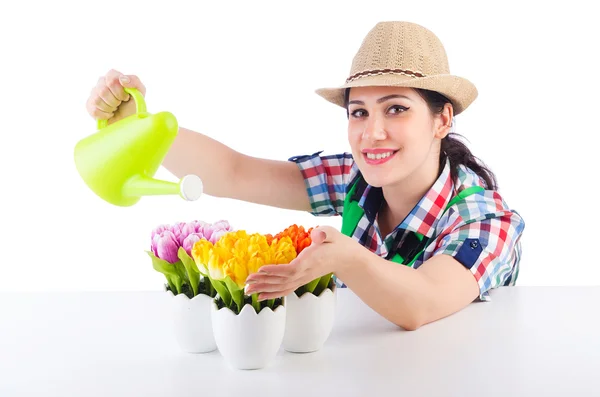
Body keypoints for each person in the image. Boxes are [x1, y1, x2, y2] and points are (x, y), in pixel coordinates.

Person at [85, 21, 525, 330]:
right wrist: (141, 128)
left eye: (396, 108)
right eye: (359, 112)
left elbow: (422, 303)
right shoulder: (357, 177)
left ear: (442, 119)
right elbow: (234, 173)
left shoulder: (485, 218)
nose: (373, 133)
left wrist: (345, 257)